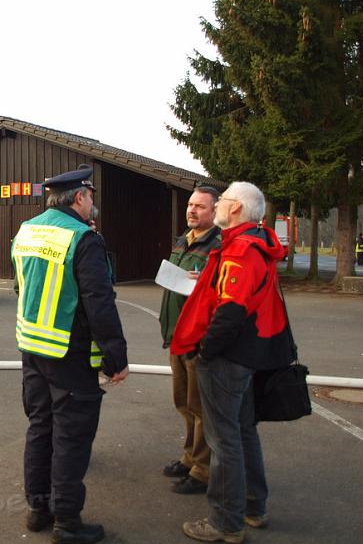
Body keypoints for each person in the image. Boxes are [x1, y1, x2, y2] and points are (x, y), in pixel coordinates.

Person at [172, 182, 296, 544]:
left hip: (228, 358)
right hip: (247, 354)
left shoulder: (241, 248)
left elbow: (232, 309)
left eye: (222, 200)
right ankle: (253, 507)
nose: (218, 206)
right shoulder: (255, 242)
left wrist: (206, 350)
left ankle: (226, 522)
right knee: (242, 432)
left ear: (237, 209)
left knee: (223, 439)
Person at [11, 167, 129, 544]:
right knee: (71, 438)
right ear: (79, 197)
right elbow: (99, 302)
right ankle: (67, 521)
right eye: (91, 197)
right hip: (69, 354)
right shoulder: (84, 238)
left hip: (32, 348)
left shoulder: (27, 230)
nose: (93, 204)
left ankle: (38, 510)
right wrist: (116, 357)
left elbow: (20, 284)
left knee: (40, 429)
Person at [159, 186, 221, 495]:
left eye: (199, 206)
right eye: (190, 204)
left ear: (215, 211)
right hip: (177, 337)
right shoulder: (185, 239)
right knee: (182, 403)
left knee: (200, 408)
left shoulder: (218, 245)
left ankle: (202, 469)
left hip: (198, 339)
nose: (192, 210)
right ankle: (189, 456)